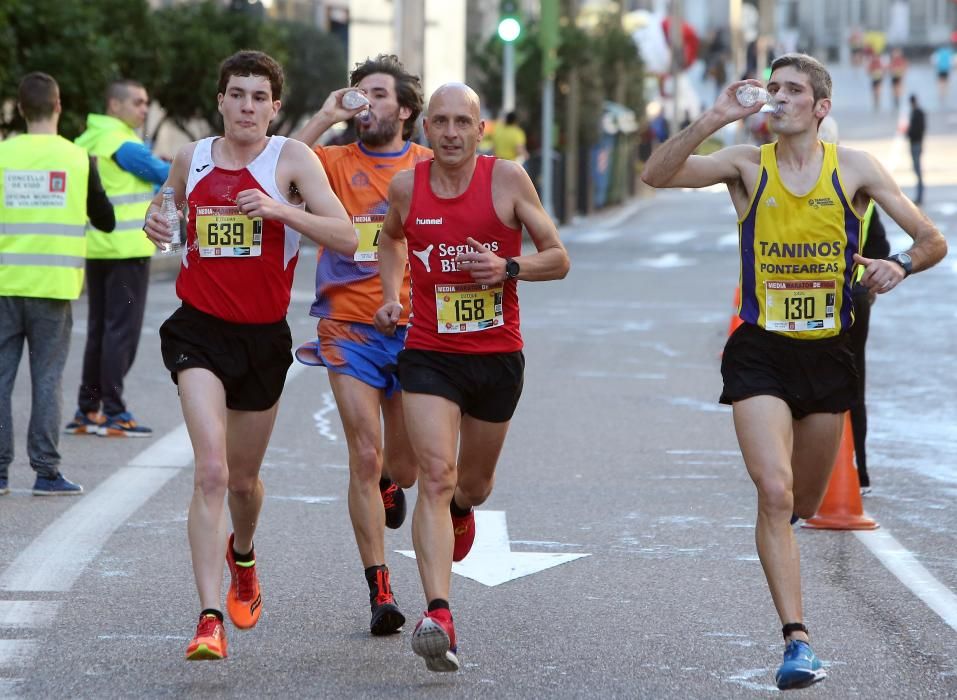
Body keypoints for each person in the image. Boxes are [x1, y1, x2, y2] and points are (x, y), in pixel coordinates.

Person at [641, 53, 946, 690]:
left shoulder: (855, 168)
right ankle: (797, 639)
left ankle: (792, 579)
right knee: (774, 493)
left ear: (820, 107)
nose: (778, 98)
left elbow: (931, 238)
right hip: (760, 351)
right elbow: (657, 174)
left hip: (829, 355)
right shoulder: (746, 166)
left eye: (793, 90)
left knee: (801, 501)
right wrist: (715, 117)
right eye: (772, 87)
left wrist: (902, 266)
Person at [142, 50, 354, 661]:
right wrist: (157, 222)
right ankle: (209, 619)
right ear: (220, 101)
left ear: (275, 107)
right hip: (197, 330)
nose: (247, 107)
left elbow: (347, 235)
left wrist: (282, 209)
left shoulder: (291, 159)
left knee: (242, 481)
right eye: (237, 94)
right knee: (209, 470)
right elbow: (166, 214)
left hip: (263, 338)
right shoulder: (193, 156)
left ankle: (244, 553)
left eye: (259, 97)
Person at [375, 82, 570, 672]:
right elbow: (390, 238)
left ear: (480, 130)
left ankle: (465, 508)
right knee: (434, 474)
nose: (452, 132)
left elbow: (558, 257)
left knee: (472, 484)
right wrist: (391, 295)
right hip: (430, 352)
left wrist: (509, 267)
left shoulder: (507, 180)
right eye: (441, 122)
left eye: (463, 121)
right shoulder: (408, 185)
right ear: (425, 129)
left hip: (495, 356)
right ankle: (440, 615)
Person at [290, 54, 430, 636]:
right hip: (348, 327)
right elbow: (275, 170)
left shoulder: (426, 166)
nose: (365, 103)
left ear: (403, 108)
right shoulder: (330, 160)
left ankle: (392, 484)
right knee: (365, 455)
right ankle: (380, 589)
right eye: (357, 94)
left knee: (404, 466)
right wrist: (324, 115)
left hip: (415, 327)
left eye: (377, 94)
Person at [0, 72, 115, 497]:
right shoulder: (78, 159)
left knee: (0, 381)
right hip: (55, 288)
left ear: (20, 108)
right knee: (47, 381)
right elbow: (105, 219)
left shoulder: (2, 155)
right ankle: (46, 473)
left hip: (5, 284)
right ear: (58, 106)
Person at [66, 79, 171, 439]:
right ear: (114, 105)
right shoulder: (122, 143)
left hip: (96, 249)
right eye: (138, 102)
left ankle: (87, 410)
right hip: (127, 251)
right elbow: (167, 173)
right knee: (120, 334)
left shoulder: (85, 141)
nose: (144, 109)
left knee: (99, 331)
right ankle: (113, 410)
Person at [818, 116, 890, 494]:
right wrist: (868, 286)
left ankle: (810, 468)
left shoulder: (797, 185)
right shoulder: (854, 183)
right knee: (854, 381)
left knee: (804, 379)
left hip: (815, 297)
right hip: (854, 296)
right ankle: (858, 470)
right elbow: (879, 248)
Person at [906, 93, 925, 206]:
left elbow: (916, 130)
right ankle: (919, 195)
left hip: (915, 144)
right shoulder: (919, 113)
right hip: (917, 143)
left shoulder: (916, 113)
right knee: (917, 169)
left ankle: (920, 195)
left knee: (917, 170)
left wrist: (908, 133)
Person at [932, 42, 953, 109]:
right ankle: (945, 93)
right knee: (946, 83)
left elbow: (934, 60)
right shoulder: (949, 52)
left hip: (940, 69)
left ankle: (941, 93)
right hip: (946, 69)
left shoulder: (938, 52)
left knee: (940, 82)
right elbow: (952, 61)